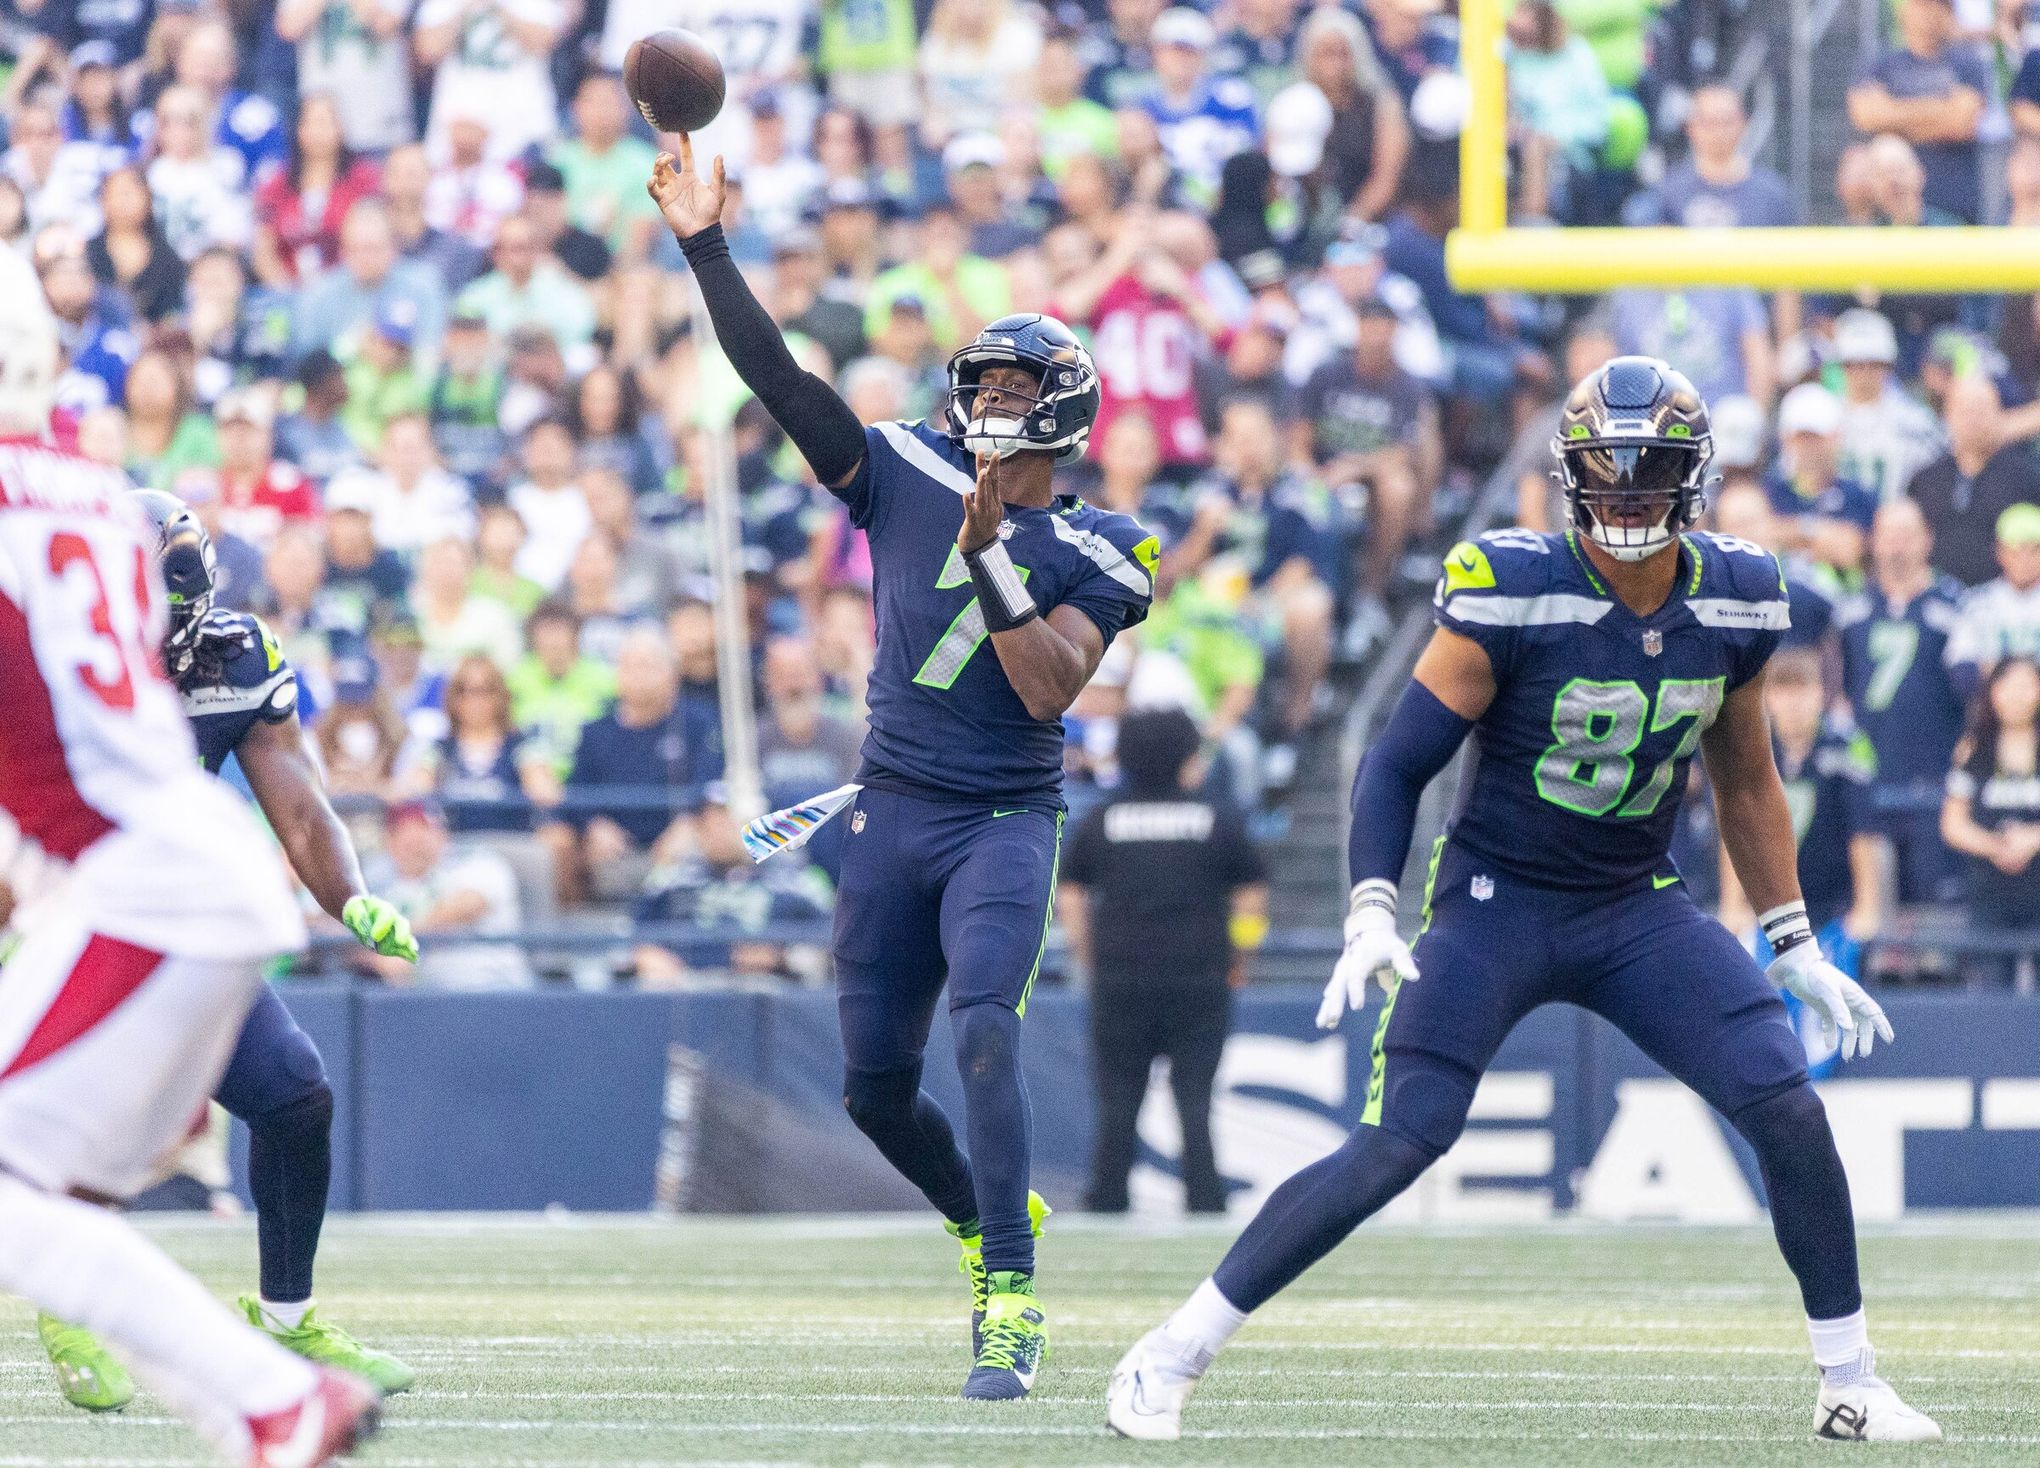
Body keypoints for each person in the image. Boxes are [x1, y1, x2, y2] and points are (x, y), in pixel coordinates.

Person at [1108, 357, 1938, 1442]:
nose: (1631, 497)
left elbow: (1745, 774)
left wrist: (1788, 936)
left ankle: (1849, 1383)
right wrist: (1370, 904)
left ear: (1694, 481)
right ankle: (1169, 1354)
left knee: (1784, 1098)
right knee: (1401, 1136)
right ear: (1570, 478)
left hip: (1637, 901)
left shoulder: (1738, 591)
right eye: (1611, 474)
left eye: (1653, 475)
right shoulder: (1514, 587)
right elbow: (1398, 762)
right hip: (1498, 902)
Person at [652, 137, 1157, 1399]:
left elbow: (1048, 685)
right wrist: (705, 247)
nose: (985, 403)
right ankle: (996, 1220)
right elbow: (778, 379)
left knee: (986, 1032)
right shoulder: (903, 469)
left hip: (1000, 819)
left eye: (1009, 387)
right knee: (877, 1092)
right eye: (977, 382)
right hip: (891, 809)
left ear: (1060, 410)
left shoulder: (1106, 543)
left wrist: (994, 558)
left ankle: (1009, 1294)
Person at [0, 269, 380, 1462]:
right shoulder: (92, 497)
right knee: (43, 1199)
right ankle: (263, 1411)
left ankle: (274, 1395)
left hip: (139, 883)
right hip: (178, 874)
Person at [26, 491, 420, 1412]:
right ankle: (65, 1292)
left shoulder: (231, 656)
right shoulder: (53, 653)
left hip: (164, 912)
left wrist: (352, 899)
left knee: (293, 1094)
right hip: (50, 908)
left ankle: (287, 1322)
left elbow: (298, 798)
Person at [1059, 707, 1268, 1215]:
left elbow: (1070, 894)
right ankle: (1205, 1204)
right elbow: (1251, 895)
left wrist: (1089, 957)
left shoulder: (1102, 819)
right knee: (1195, 1101)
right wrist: (1240, 954)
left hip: (1119, 981)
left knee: (1117, 1104)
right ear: (1186, 754)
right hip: (1199, 981)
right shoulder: (1218, 817)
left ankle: (1107, 1205)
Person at [1835, 500, 1968, 905]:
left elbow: (1972, 697)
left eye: (1906, 535)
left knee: (1934, 914)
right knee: (1875, 909)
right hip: (1870, 779)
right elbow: (1836, 689)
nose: (1897, 547)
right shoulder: (1851, 610)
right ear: (1873, 542)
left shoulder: (1954, 608)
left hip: (1933, 779)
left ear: (1927, 540)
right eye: (1888, 535)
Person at [1939, 656, 2040, 977]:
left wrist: (2031, 839)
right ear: (1992, 691)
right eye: (2008, 685)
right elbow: (1953, 824)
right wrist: (1997, 846)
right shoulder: (1973, 748)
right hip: (1989, 897)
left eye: (2026, 686)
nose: (2017, 695)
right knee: (1990, 999)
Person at [1846, 0, 1989, 223]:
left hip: (1953, 209)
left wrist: (1893, 117)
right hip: (1888, 213)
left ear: (1948, 14)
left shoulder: (1967, 64)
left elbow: (1961, 122)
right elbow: (1865, 115)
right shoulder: (1880, 63)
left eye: (1935, 6)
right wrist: (1939, 110)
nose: (1927, 14)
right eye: (1920, 5)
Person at [1946, 503, 2040, 699]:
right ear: (2000, 551)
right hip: (1990, 716)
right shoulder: (1977, 602)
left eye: (2034, 550)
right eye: (2016, 550)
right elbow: (1961, 674)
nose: (2024, 560)